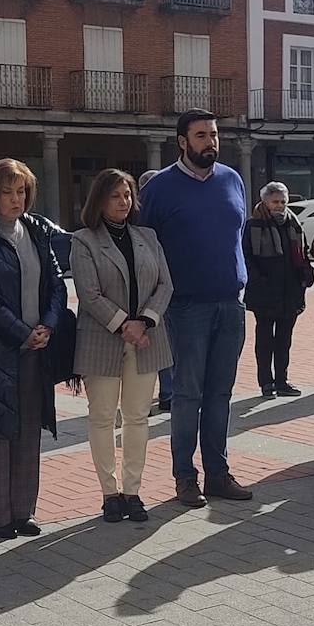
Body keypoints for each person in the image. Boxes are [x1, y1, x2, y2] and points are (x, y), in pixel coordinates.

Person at [138, 110, 253, 507]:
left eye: (215, 135)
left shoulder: (232, 179)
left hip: (230, 305)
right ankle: (185, 478)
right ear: (182, 142)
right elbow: (145, 248)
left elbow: (237, 237)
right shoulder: (160, 189)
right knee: (187, 395)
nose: (211, 142)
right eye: (202, 135)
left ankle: (218, 474)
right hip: (185, 309)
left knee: (221, 393)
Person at [0, 158, 68, 539]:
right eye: (7, 192)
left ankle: (23, 511)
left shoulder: (35, 230)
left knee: (28, 430)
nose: (16, 199)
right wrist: (21, 331)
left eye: (21, 191)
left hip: (36, 347)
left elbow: (56, 284)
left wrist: (47, 326)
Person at [72, 169, 173, 523]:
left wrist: (144, 321)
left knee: (137, 418)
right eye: (115, 196)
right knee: (102, 418)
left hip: (146, 339)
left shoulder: (148, 236)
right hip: (101, 341)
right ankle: (109, 493)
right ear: (99, 200)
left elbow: (165, 284)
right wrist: (123, 325)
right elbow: (88, 293)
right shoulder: (83, 240)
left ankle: (132, 491)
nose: (123, 202)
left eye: (128, 195)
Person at [243, 182, 314, 397]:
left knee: (284, 340)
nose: (280, 206)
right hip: (265, 293)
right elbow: (246, 257)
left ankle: (282, 380)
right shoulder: (254, 225)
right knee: (265, 340)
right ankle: (266, 382)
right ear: (265, 201)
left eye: (283, 201)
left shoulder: (293, 224)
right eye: (275, 202)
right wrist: (260, 280)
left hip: (290, 292)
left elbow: (303, 252)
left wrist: (305, 274)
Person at [139, 168, 172, 415]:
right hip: (141, 299)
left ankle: (168, 394)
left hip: (168, 290)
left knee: (167, 347)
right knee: (149, 349)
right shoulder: (137, 221)